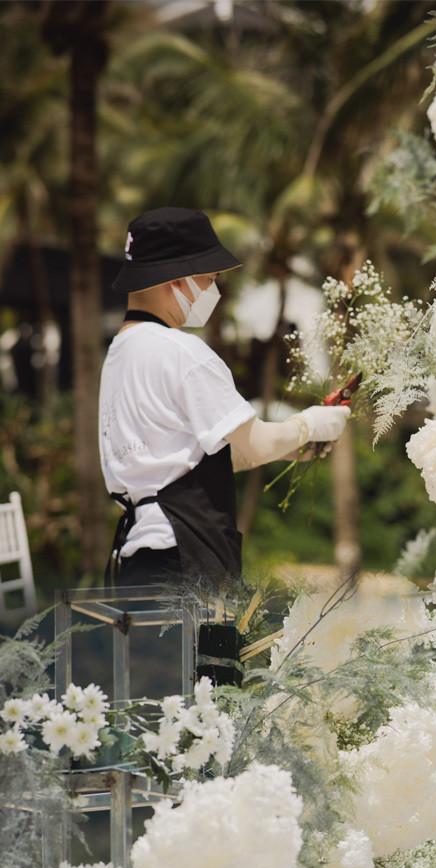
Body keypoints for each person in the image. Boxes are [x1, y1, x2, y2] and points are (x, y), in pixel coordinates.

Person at [100, 206, 350, 587]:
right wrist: (308, 424)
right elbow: (258, 441)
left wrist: (288, 448)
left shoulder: (119, 355)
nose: (213, 291)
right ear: (178, 280)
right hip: (183, 555)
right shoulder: (182, 352)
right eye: (209, 278)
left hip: (136, 558)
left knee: (144, 650)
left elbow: (178, 462)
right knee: (203, 650)